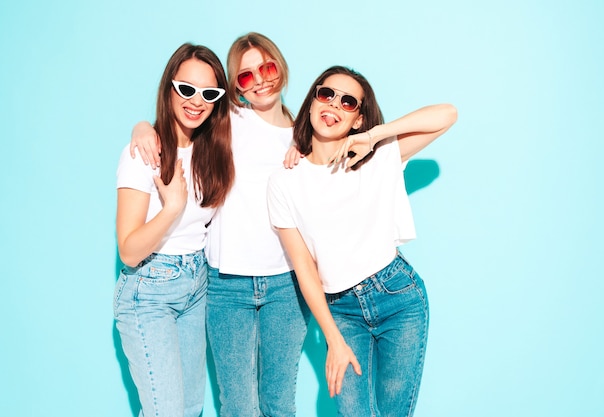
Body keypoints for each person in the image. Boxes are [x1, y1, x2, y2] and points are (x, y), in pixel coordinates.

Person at [129, 33, 310, 417]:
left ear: (281, 67)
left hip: (286, 283)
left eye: (267, 67)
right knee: (239, 407)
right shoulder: (227, 120)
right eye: (245, 77)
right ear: (236, 89)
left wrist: (305, 145)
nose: (259, 79)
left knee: (280, 405)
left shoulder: (305, 134)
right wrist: (143, 127)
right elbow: (185, 107)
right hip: (226, 284)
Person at [267, 65, 457, 417]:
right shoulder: (284, 182)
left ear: (358, 119)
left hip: (398, 298)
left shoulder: (379, 155)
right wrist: (333, 338)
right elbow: (305, 270)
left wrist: (375, 135)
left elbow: (447, 114)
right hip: (341, 311)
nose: (334, 104)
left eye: (348, 102)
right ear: (311, 103)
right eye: (326, 95)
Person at [114, 43, 234, 417]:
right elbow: (129, 250)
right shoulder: (144, 152)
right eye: (185, 89)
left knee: (191, 408)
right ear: (169, 88)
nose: (196, 101)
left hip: (197, 287)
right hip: (149, 291)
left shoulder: (212, 150)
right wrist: (174, 208)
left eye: (208, 93)